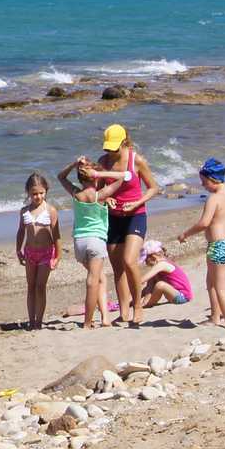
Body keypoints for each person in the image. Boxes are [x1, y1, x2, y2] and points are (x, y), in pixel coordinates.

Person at [79, 124, 159, 329]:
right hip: (113, 218)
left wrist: (138, 202)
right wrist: (107, 200)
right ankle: (124, 311)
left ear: (124, 142)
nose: (110, 152)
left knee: (129, 261)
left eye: (114, 148)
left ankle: (137, 307)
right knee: (117, 268)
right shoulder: (103, 162)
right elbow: (97, 191)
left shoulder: (136, 160)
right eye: (108, 148)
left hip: (135, 216)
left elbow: (153, 188)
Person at [176, 157, 225, 328]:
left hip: (218, 246)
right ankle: (214, 317)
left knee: (220, 287)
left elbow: (204, 223)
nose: (203, 185)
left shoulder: (214, 198)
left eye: (204, 182)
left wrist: (185, 234)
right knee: (211, 282)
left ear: (213, 179)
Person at [58, 158, 114, 327]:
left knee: (100, 278)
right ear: (95, 177)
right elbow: (123, 177)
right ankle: (88, 322)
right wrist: (100, 174)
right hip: (96, 241)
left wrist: (73, 164)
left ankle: (105, 317)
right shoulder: (101, 195)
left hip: (80, 242)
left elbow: (61, 177)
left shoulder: (77, 194)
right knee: (93, 281)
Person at [15, 172, 61, 330]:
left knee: (40, 287)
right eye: (34, 193)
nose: (38, 196)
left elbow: (57, 235)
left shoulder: (50, 211)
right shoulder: (24, 211)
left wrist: (58, 257)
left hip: (46, 254)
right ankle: (31, 319)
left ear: (46, 191)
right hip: (29, 253)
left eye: (41, 193)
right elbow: (21, 231)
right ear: (28, 192)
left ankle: (39, 322)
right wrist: (18, 250)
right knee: (31, 286)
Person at [134, 239, 193, 315]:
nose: (145, 263)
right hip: (174, 294)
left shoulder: (162, 264)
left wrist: (131, 283)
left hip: (183, 297)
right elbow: (148, 287)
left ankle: (148, 303)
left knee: (160, 285)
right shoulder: (160, 265)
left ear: (153, 256)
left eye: (146, 260)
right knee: (152, 280)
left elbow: (142, 280)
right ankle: (141, 302)